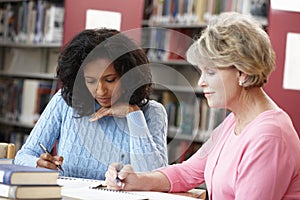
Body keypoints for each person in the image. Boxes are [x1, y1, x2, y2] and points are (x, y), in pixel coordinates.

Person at [105, 12, 300, 199]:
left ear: (243, 73)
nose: (201, 82)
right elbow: (189, 172)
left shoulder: (269, 137)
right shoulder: (236, 120)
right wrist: (137, 180)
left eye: (211, 72)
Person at [14, 28, 169, 180]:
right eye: (91, 81)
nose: (101, 91)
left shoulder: (152, 112)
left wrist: (133, 114)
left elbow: (156, 177)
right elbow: (23, 156)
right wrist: (38, 164)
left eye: (110, 80)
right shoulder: (64, 103)